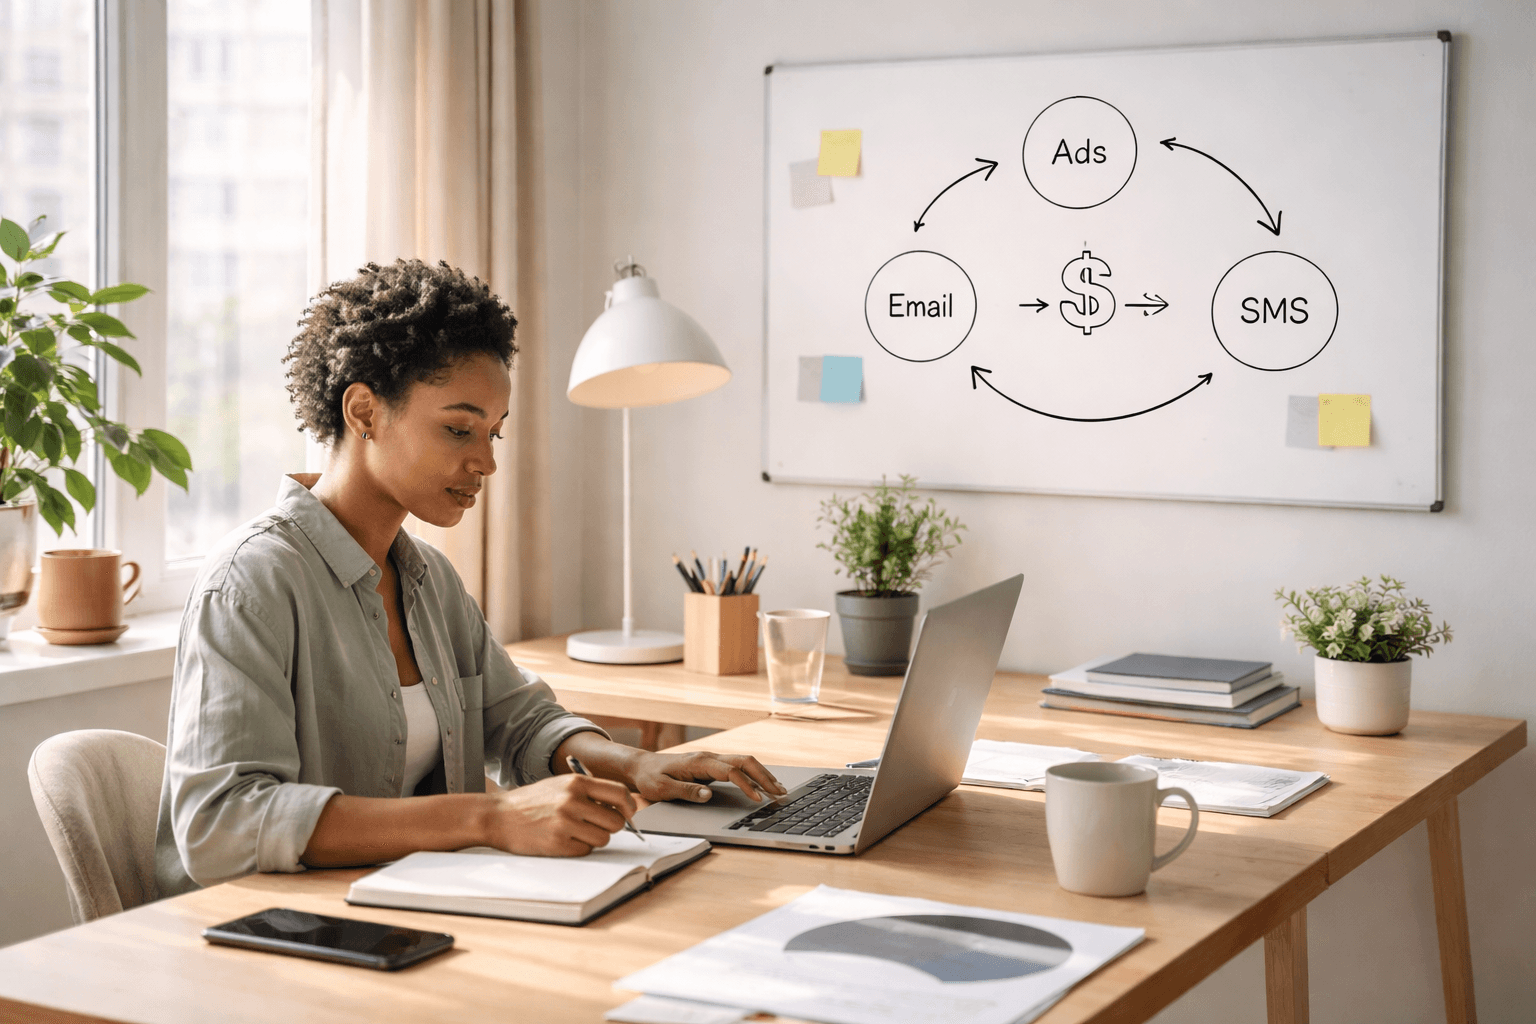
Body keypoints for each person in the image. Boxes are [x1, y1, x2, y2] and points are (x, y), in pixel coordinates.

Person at [154, 258, 784, 896]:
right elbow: (222, 825)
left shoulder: (427, 577)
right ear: (365, 411)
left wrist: (638, 764)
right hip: (271, 935)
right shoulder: (251, 584)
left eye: (494, 434)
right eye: (458, 429)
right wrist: (491, 817)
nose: (484, 461)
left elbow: (518, 722)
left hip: (411, 909)